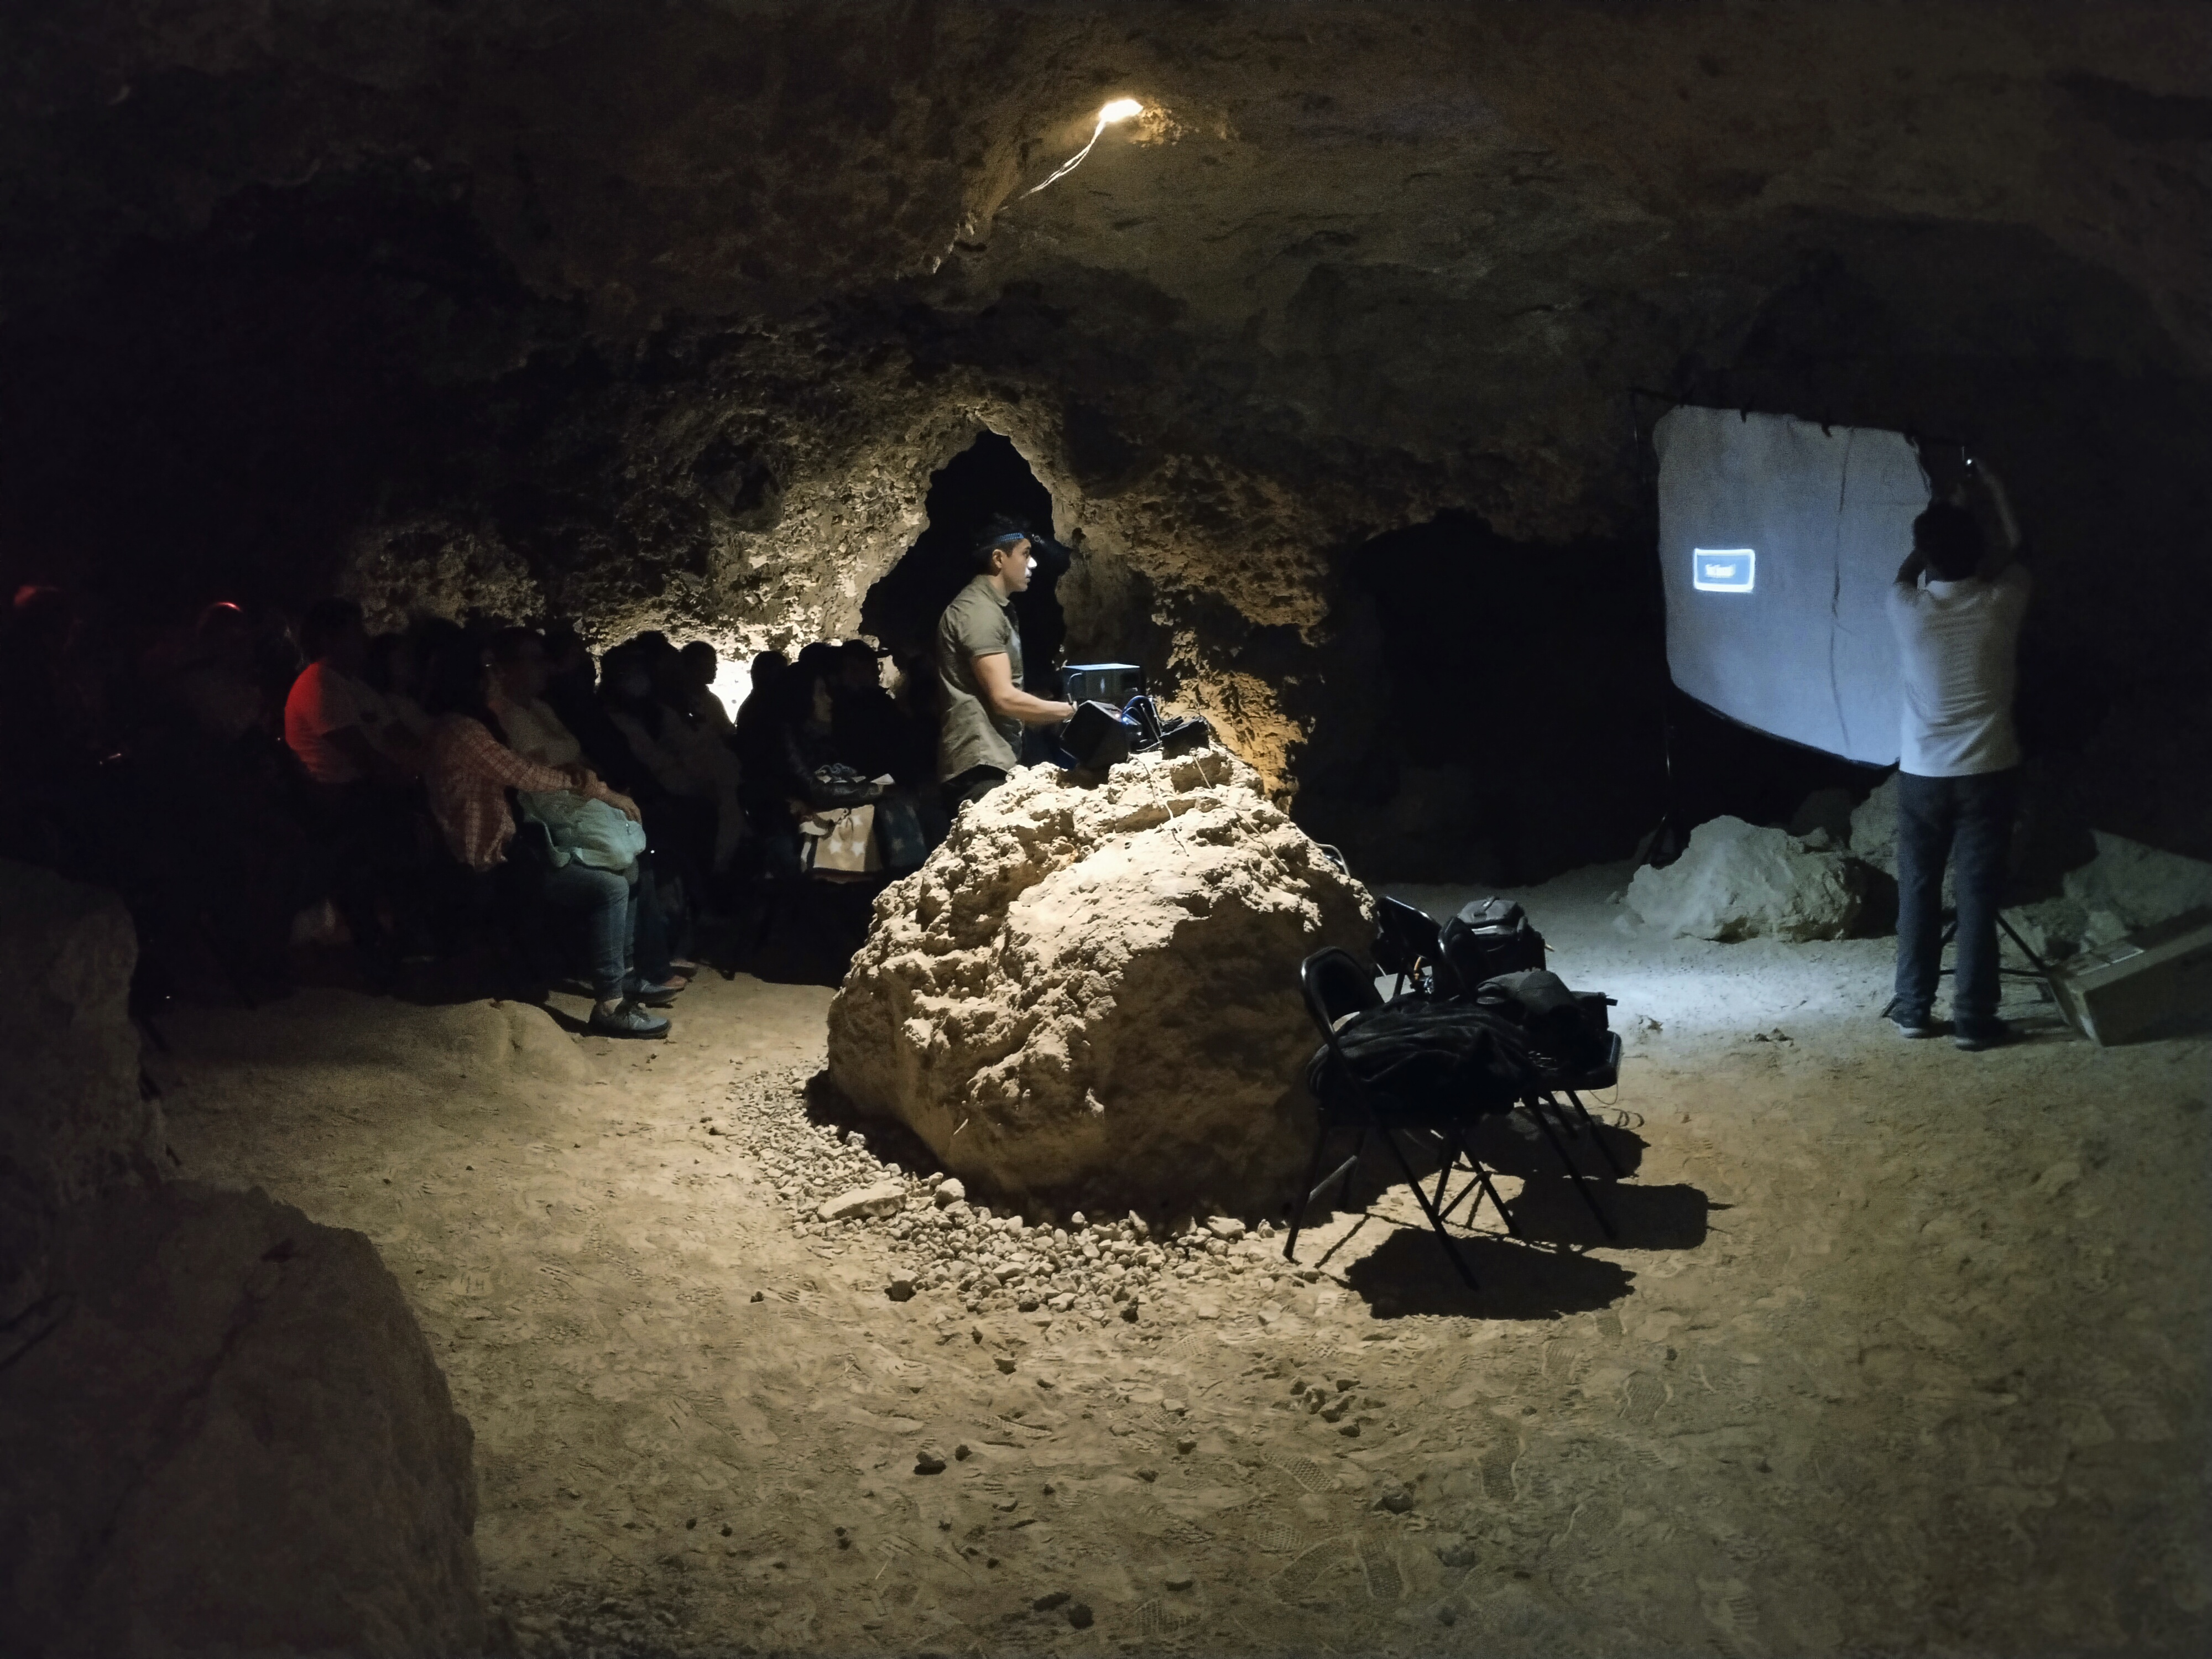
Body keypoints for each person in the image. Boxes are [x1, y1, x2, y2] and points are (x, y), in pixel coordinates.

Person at [419, 640, 671, 1038]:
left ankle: (620, 983)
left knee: (626, 867)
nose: (493, 679)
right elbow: (527, 774)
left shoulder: (464, 726)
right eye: (487, 672)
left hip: (509, 848)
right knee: (610, 886)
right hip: (489, 858)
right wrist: (592, 787)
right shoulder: (462, 731)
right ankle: (610, 1003)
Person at [1885, 465, 2031, 1052]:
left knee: (1916, 892)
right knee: (1977, 895)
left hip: (1922, 775)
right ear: (1978, 554)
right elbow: (2022, 551)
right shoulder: (2001, 603)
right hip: (1989, 771)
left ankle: (1913, 1010)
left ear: (1925, 554)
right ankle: (1973, 1019)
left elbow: (1907, 568)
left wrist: (1940, 518)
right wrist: (1994, 494)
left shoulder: (1904, 606)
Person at [934, 521, 1077, 808]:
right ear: (999, 559)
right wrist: (1073, 711)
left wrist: (1037, 706)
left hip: (993, 761)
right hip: (979, 769)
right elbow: (1003, 698)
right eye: (1025, 554)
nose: (1033, 563)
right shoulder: (979, 613)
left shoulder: (993, 608)